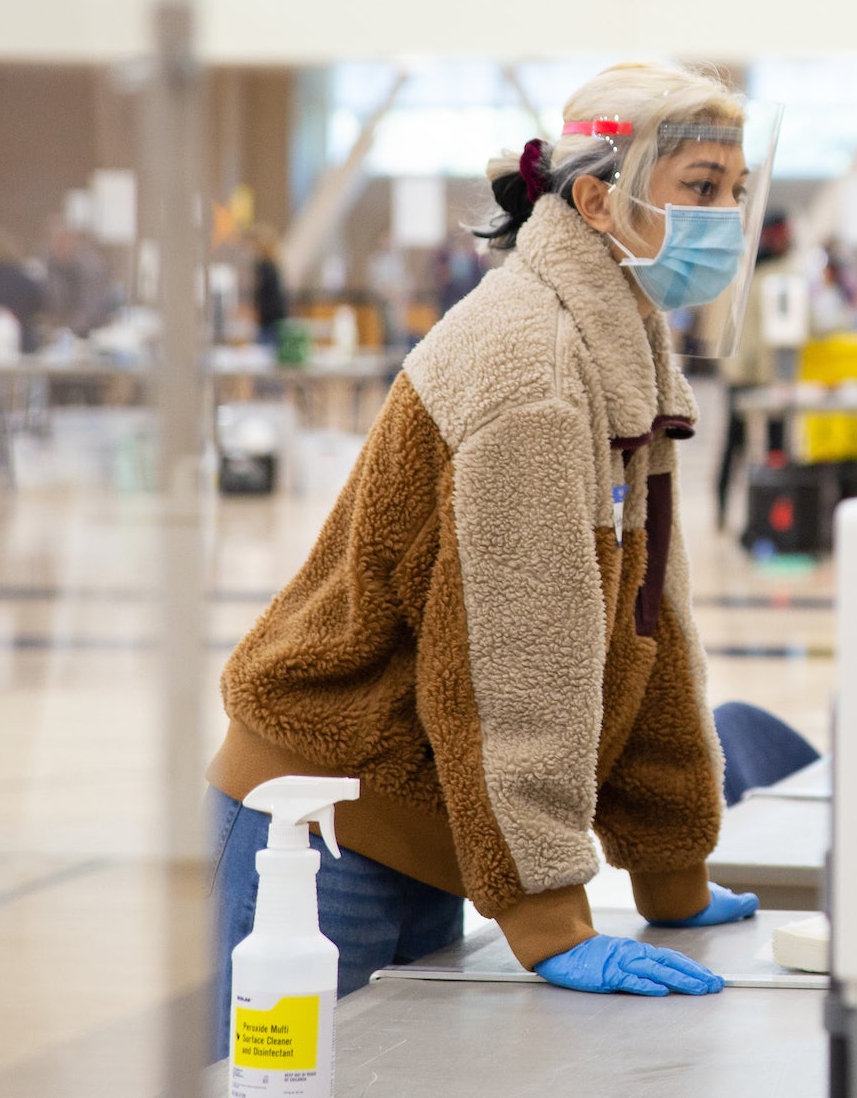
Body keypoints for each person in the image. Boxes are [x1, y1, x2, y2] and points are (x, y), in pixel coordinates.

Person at [206, 62, 780, 1056]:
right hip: (321, 818)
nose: (725, 217)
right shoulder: (535, 367)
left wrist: (669, 870)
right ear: (597, 199)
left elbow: (649, 623)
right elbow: (520, 655)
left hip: (434, 817)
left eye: (734, 191)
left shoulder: (625, 340)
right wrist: (549, 915)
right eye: (698, 187)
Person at [717, 209, 793, 529]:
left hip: (739, 369)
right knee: (769, 441)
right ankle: (767, 514)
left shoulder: (741, 267)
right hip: (763, 372)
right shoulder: (778, 274)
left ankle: (736, 512)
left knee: (738, 443)